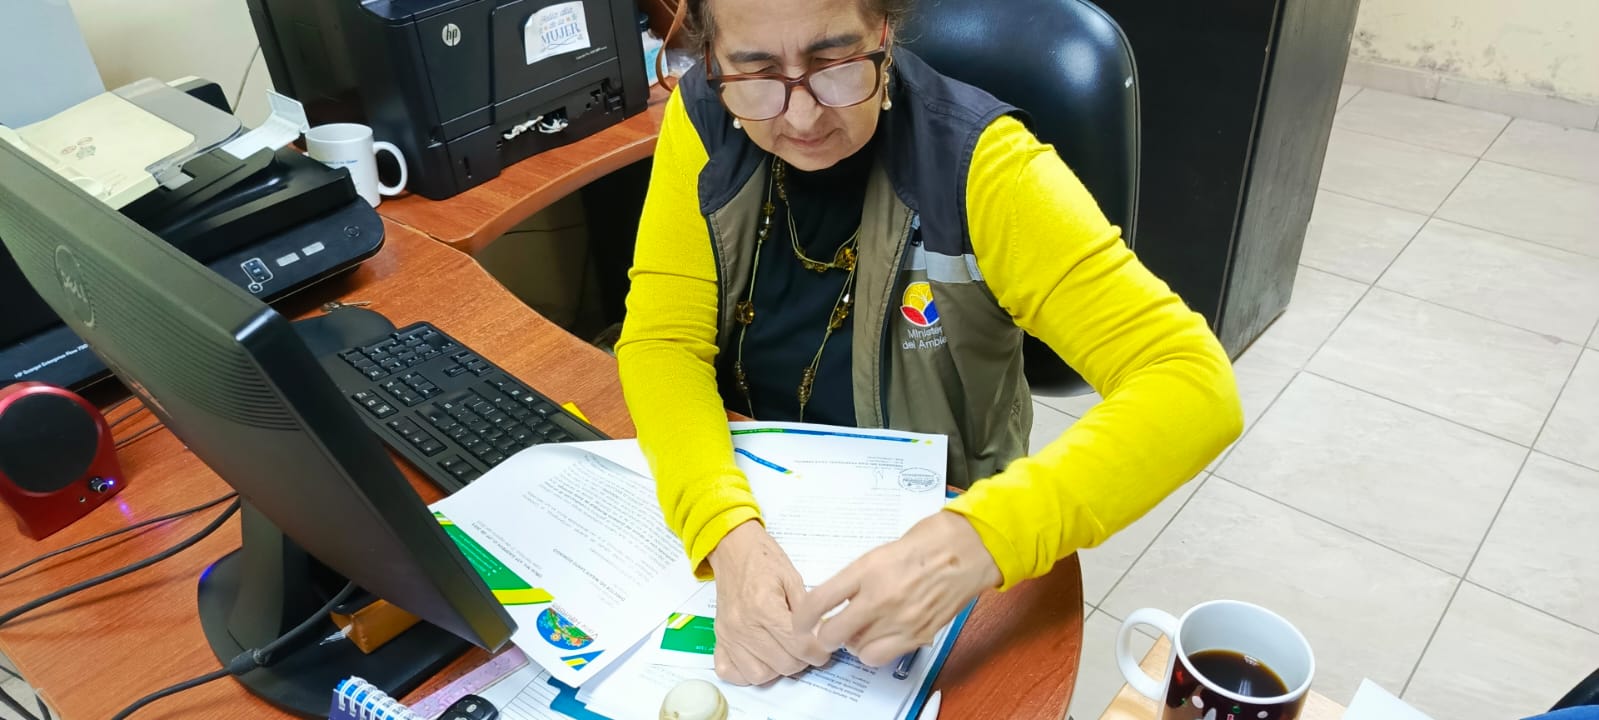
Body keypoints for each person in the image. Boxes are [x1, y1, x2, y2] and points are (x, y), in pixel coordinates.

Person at [615, 0, 1243, 687]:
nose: (801, 115)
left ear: (883, 32)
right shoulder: (705, 114)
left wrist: (971, 543)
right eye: (756, 70)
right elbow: (663, 341)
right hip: (750, 486)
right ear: (712, 60)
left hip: (931, 524)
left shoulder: (984, 165)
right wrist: (725, 533)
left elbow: (1193, 384)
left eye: (833, 60)